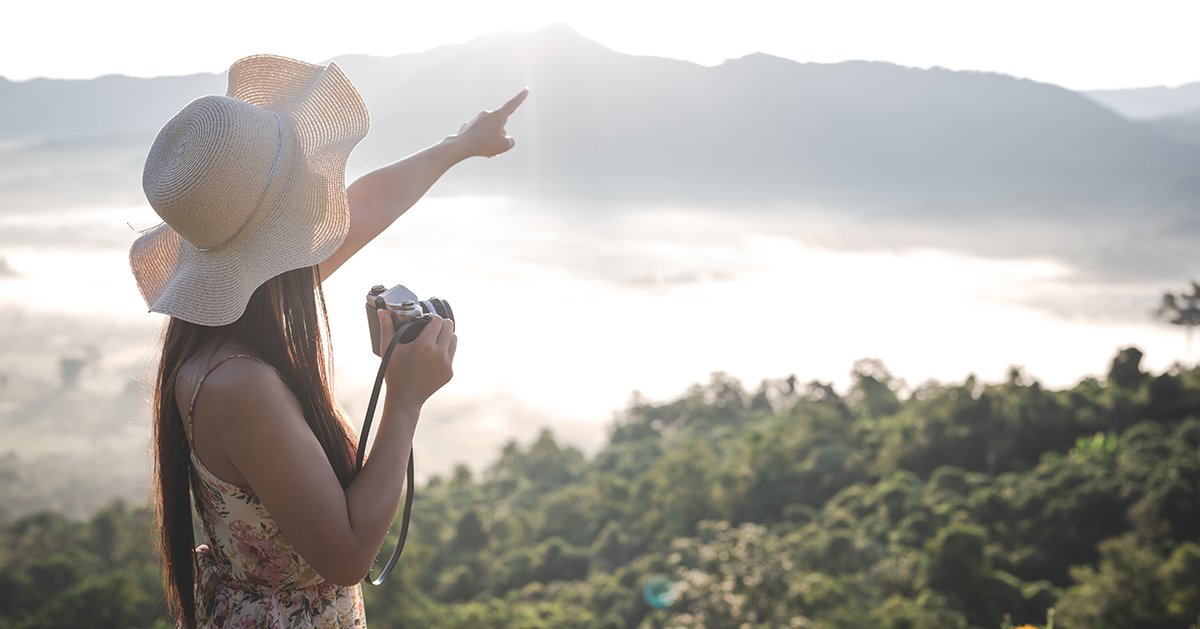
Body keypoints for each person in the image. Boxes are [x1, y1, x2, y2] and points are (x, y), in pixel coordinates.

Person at [129, 54, 527, 628]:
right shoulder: (242, 384)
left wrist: (459, 144)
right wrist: (405, 397)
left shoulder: (232, 316)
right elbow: (346, 555)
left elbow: (368, 206)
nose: (330, 200)